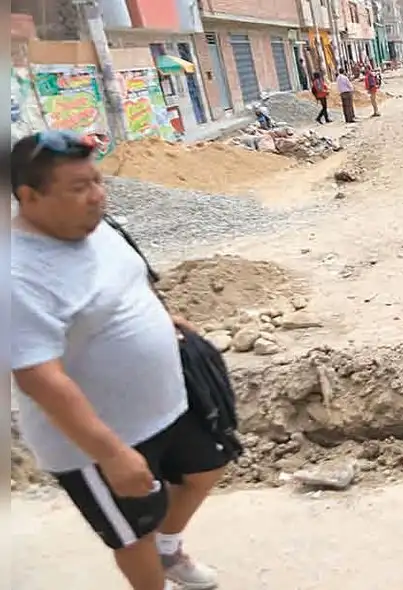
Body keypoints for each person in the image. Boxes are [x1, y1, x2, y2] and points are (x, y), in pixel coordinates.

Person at [10, 130, 227, 590]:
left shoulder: (92, 225)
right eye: (79, 187)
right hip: (97, 438)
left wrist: (162, 317)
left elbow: (128, 280)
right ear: (29, 197)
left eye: (98, 181)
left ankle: (169, 552)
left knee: (206, 467)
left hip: (167, 403)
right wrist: (110, 454)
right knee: (134, 531)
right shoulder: (17, 275)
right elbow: (38, 378)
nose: (97, 196)